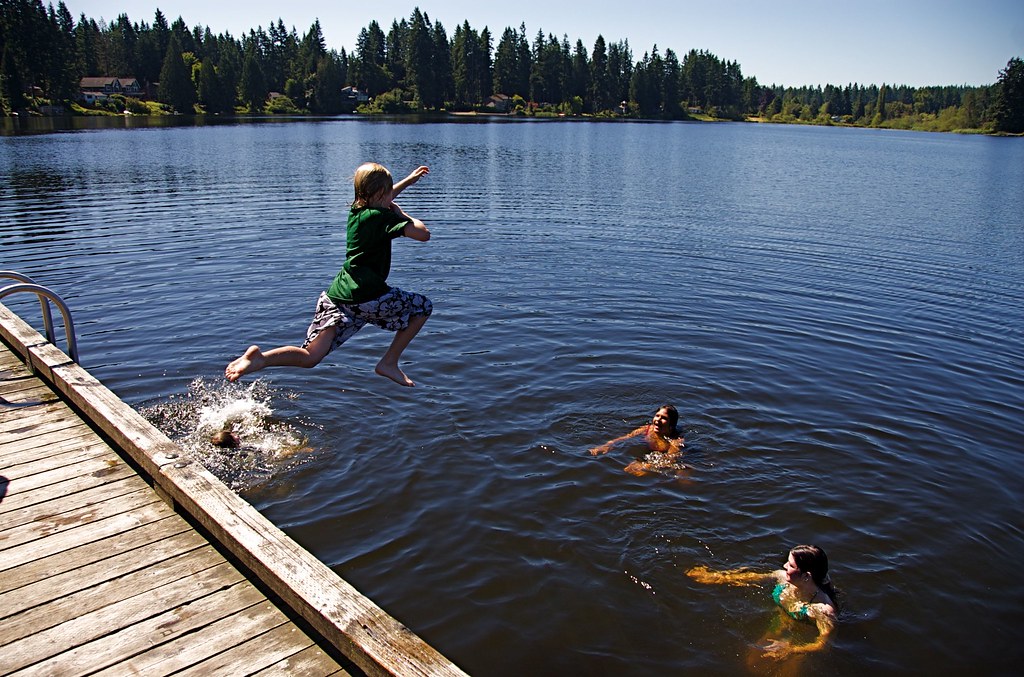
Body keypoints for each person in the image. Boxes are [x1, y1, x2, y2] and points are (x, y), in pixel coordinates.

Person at [225, 163, 433, 387]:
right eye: (388, 192)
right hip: (368, 296)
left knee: (311, 357)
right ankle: (389, 361)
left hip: (337, 297)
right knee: (423, 307)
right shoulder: (382, 218)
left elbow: (383, 197)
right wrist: (402, 214)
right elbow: (422, 234)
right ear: (381, 194)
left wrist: (408, 181)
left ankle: (260, 359)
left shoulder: (357, 211)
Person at [686, 544, 838, 661]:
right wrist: (715, 577)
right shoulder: (783, 577)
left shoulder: (824, 609)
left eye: (791, 565)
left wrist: (791, 649)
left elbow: (823, 644)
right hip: (780, 620)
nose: (784, 566)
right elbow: (753, 577)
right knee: (752, 658)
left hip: (800, 632)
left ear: (806, 576)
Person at [589, 404, 684, 475]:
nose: (658, 420)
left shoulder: (675, 441)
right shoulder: (647, 429)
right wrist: (607, 445)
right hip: (649, 454)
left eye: (663, 418)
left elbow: (671, 458)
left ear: (671, 425)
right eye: (657, 415)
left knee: (682, 475)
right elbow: (627, 437)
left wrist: (646, 466)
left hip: (659, 457)